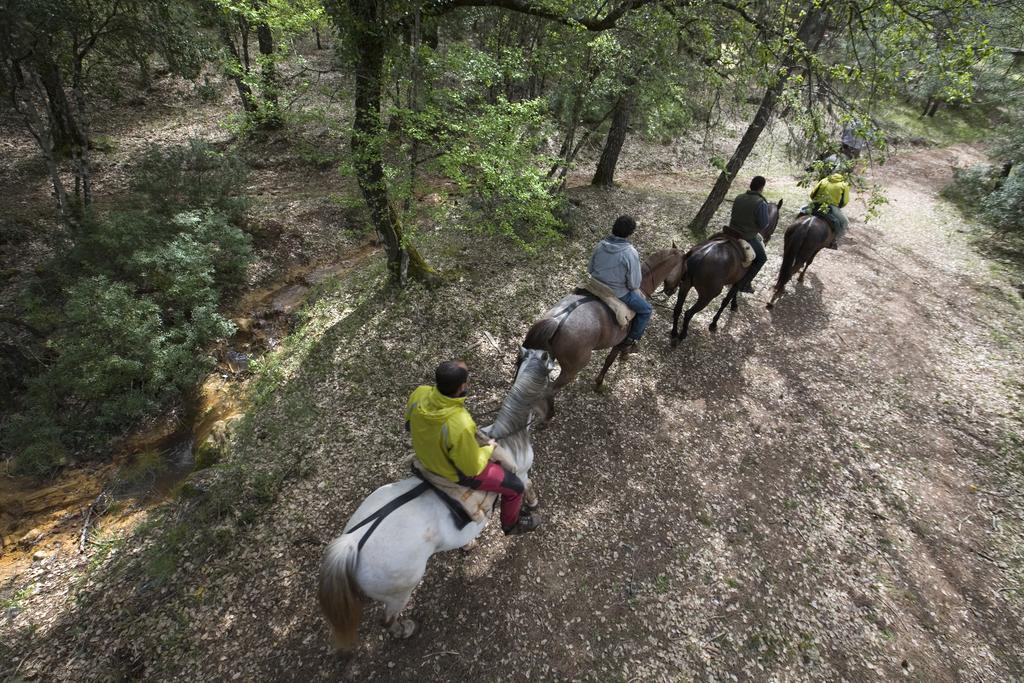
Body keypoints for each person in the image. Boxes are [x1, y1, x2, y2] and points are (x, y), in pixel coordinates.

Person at [406, 361, 541, 536]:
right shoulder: (459, 422)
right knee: (515, 487)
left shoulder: (419, 393)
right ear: (462, 386)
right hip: (452, 474)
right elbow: (471, 468)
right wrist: (488, 448)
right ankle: (511, 524)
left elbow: (409, 424)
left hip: (425, 456)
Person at [587, 215, 652, 353]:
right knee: (646, 310)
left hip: (594, 285)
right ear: (630, 233)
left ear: (614, 228)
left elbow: (590, 269)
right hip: (617, 293)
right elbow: (634, 284)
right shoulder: (630, 253)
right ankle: (630, 340)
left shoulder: (600, 245)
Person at [727, 176, 770, 294]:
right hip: (746, 236)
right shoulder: (761, 203)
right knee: (762, 258)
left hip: (730, 231)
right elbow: (764, 224)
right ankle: (744, 284)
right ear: (761, 187)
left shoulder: (739, 197)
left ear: (751, 185)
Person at [808, 173, 851, 249]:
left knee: (802, 210)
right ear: (842, 177)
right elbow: (845, 201)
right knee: (845, 222)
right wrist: (838, 207)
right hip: (832, 206)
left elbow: (812, 194)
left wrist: (816, 200)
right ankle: (834, 241)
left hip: (816, 203)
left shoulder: (824, 180)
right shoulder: (844, 185)